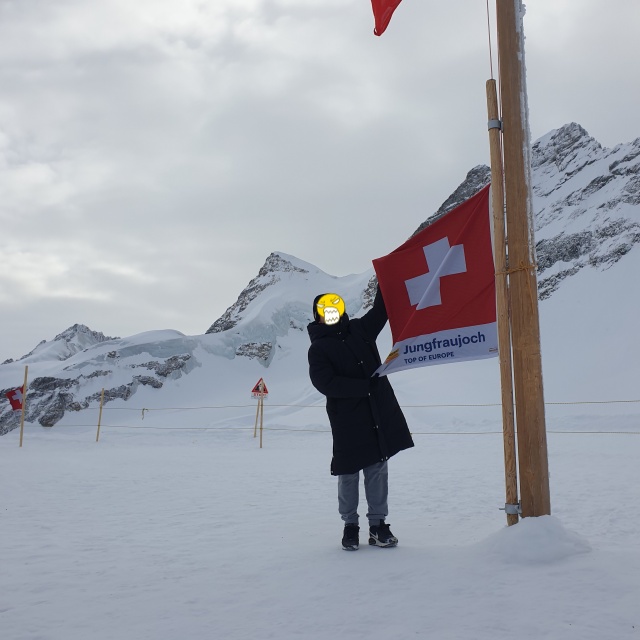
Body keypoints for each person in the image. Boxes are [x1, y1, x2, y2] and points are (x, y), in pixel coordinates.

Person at [307, 288, 414, 550]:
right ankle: (350, 526)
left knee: (377, 469)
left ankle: (378, 526)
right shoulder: (318, 348)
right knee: (348, 472)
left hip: (377, 412)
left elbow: (381, 310)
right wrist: (364, 387)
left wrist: (384, 280)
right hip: (346, 420)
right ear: (318, 315)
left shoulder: (360, 329)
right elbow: (325, 383)